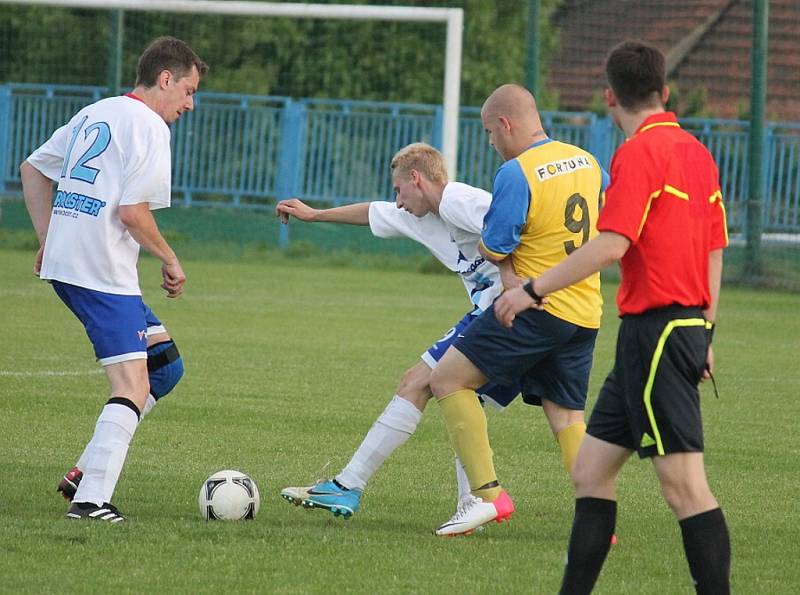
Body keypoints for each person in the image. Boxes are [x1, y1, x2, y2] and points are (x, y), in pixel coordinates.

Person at [494, 41, 730, 594]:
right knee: (591, 472)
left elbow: (613, 243)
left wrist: (531, 287)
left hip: (657, 331)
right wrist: (706, 329)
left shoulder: (639, 153)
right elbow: (715, 249)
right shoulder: (696, 151)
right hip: (670, 330)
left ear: (609, 97)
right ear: (665, 91)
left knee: (685, 488)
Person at [275, 142, 523, 522]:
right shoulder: (419, 215)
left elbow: (514, 229)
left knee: (418, 382)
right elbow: (373, 212)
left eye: (398, 189)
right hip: (504, 314)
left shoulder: (459, 200)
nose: (398, 201)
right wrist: (315, 215)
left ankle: (349, 485)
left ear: (416, 178)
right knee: (461, 401)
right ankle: (474, 502)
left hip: (508, 313)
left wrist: (521, 288)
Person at [21, 37, 207, 522]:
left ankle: (86, 469)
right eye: (188, 90)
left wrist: (48, 238)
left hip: (72, 263)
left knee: (164, 367)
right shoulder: (148, 126)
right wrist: (170, 257)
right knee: (131, 380)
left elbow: (33, 169)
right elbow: (132, 213)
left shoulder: (96, 111)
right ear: (165, 79)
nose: (190, 103)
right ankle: (90, 503)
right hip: (102, 269)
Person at [428, 83, 607, 536]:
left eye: (490, 132)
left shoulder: (517, 171)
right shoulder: (588, 162)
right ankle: (599, 518)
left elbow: (493, 246)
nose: (491, 142)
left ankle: (487, 497)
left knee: (447, 379)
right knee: (566, 417)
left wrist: (508, 261)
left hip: (534, 307)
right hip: (584, 311)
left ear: (506, 124)